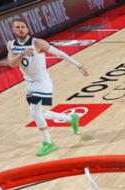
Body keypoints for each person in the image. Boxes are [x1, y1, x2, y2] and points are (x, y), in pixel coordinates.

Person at [6, 18, 88, 156]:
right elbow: (12, 64)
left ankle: (48, 143)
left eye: (23, 27)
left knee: (34, 113)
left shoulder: (37, 42)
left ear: (27, 29)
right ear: (13, 30)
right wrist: (21, 54)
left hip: (42, 82)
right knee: (41, 113)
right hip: (29, 83)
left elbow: (59, 53)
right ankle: (71, 118)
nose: (21, 29)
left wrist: (78, 65)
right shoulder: (11, 44)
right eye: (18, 27)